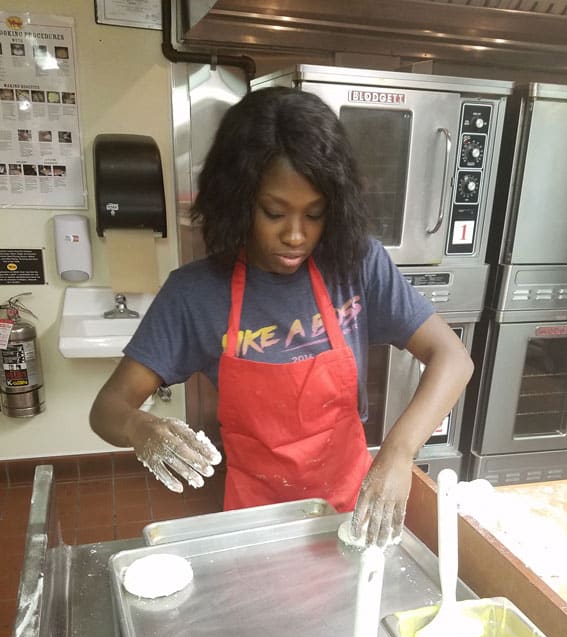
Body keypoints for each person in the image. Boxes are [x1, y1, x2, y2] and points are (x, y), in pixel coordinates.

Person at [89, 86, 474, 546]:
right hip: (257, 524)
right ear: (239, 200)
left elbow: (453, 357)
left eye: (314, 214)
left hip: (354, 513)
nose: (296, 235)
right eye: (275, 213)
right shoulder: (195, 294)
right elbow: (107, 407)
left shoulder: (355, 264)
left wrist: (397, 453)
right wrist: (140, 426)